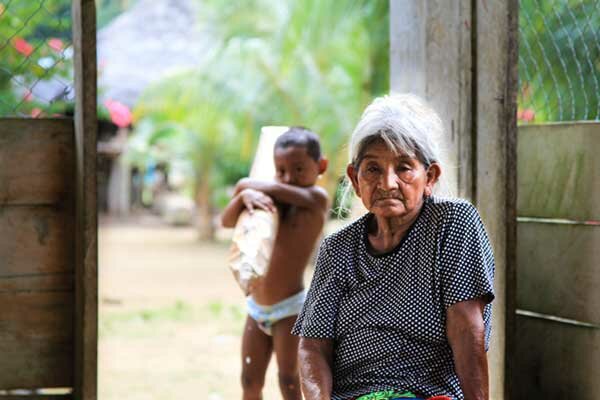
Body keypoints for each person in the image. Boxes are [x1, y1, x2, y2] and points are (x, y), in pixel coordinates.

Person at [292, 94, 495, 400]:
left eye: (403, 167)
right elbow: (312, 346)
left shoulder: (452, 222)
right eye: (372, 169)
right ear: (355, 179)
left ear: (430, 177)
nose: (387, 183)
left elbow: (467, 329)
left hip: (427, 394)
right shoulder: (337, 248)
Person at [221, 127, 329, 400]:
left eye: (299, 169)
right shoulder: (269, 201)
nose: (289, 178)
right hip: (256, 308)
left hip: (290, 310)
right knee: (249, 379)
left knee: (289, 381)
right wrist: (243, 197)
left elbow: (263, 186)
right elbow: (226, 221)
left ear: (321, 166)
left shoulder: (315, 199)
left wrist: (246, 184)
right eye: (280, 170)